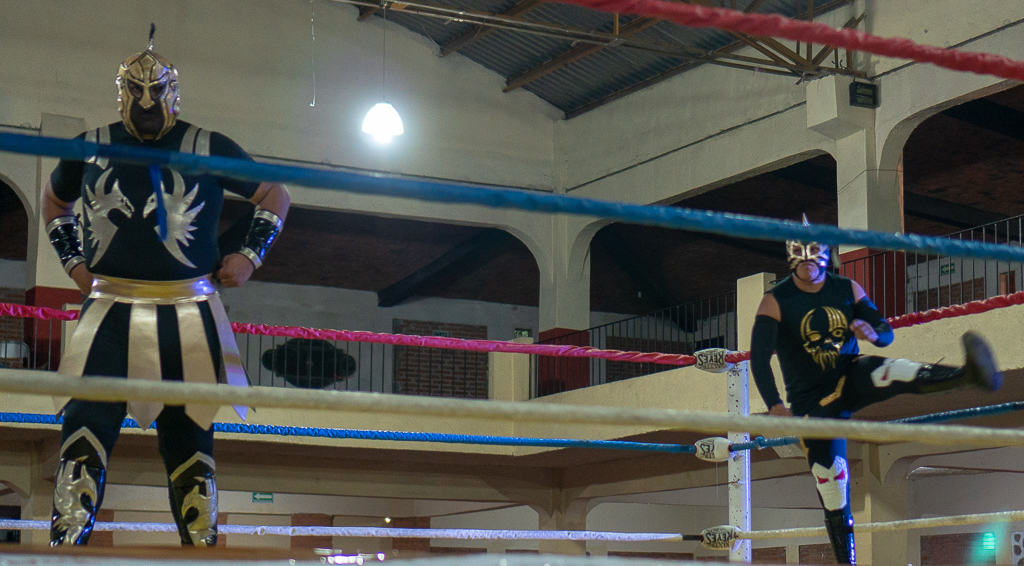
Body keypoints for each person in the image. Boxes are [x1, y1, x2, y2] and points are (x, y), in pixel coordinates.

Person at [42, 32, 290, 547]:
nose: (148, 102)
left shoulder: (209, 146)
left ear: (174, 91)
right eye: (137, 91)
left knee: (190, 438)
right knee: (83, 429)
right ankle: (63, 550)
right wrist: (75, 266)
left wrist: (249, 255)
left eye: (157, 91)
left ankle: (200, 552)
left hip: (189, 309)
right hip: (108, 307)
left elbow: (273, 193)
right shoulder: (89, 148)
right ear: (122, 92)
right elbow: (53, 203)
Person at [749, 222, 1001, 565]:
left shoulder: (847, 288)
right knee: (830, 479)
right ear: (792, 260)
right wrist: (774, 405)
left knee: (891, 370)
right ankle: (846, 561)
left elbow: (885, 333)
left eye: (815, 258)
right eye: (802, 260)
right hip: (812, 402)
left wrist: (871, 331)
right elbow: (759, 359)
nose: (809, 266)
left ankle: (966, 375)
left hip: (849, 373)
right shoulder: (775, 301)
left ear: (826, 256)